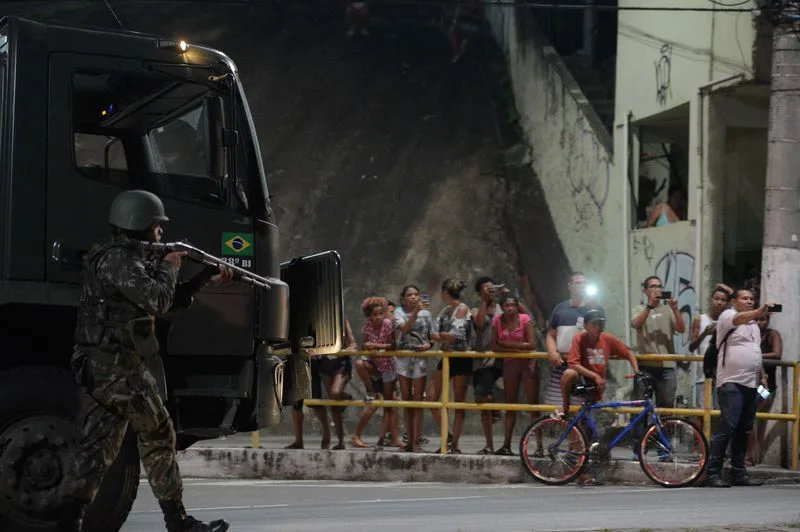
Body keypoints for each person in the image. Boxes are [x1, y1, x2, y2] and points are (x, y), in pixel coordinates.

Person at [59, 190, 231, 532]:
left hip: (103, 368)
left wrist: (199, 281)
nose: (160, 235)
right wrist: (170, 266)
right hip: (118, 368)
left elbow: (163, 301)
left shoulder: (121, 259)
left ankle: (68, 522)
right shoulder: (120, 260)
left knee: (97, 449)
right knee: (158, 434)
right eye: (156, 228)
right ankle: (178, 522)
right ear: (140, 225)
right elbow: (156, 299)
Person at [705, 289, 769, 488]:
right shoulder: (728, 316)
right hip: (731, 382)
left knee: (744, 429)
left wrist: (762, 375)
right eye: (745, 298)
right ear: (734, 301)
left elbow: (755, 351)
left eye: (751, 299)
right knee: (727, 427)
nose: (749, 301)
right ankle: (713, 472)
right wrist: (759, 312)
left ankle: (738, 473)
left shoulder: (754, 326)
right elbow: (738, 318)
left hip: (750, 384)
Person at [557, 309, 640, 419]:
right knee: (569, 373)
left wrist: (637, 371)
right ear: (586, 326)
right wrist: (594, 376)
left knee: (591, 424)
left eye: (600, 324)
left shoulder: (607, 338)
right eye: (594, 324)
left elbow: (628, 352)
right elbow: (572, 363)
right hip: (582, 381)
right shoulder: (579, 338)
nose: (598, 327)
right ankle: (565, 407)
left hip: (599, 386)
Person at [491, 295, 537, 456]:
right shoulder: (497, 321)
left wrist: (507, 344)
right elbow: (495, 346)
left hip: (527, 364)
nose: (510, 308)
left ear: (517, 307)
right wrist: (517, 348)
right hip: (510, 363)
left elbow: (532, 344)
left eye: (512, 305)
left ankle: (539, 447)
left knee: (533, 405)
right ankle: (506, 445)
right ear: (502, 307)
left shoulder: (524, 319)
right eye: (506, 305)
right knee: (511, 405)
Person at [688, 284, 732, 412]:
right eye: (716, 299)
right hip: (704, 374)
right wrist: (705, 333)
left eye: (723, 300)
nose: (719, 303)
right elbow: (692, 346)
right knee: (705, 411)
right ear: (711, 300)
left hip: (723, 374)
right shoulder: (700, 319)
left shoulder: (729, 321)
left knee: (721, 412)